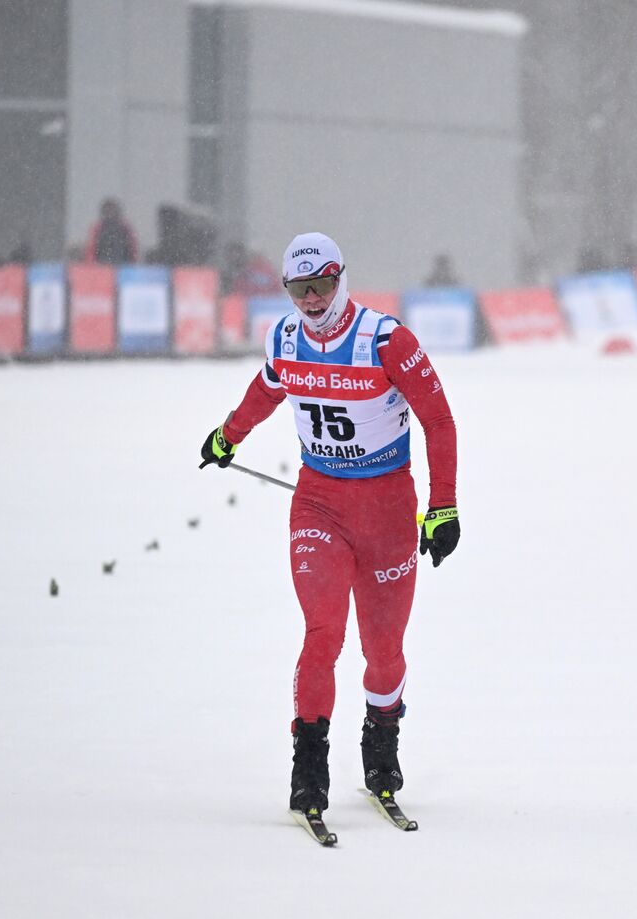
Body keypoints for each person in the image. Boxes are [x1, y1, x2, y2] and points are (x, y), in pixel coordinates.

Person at [197, 231, 460, 828]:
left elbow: (439, 421)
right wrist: (227, 436)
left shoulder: (385, 340)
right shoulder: (284, 338)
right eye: (299, 289)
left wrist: (443, 507)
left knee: (384, 652)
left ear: (342, 278)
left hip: (390, 510)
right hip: (319, 505)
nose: (313, 300)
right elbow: (265, 391)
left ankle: (380, 747)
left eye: (322, 285)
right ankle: (309, 768)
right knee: (322, 633)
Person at [85, 198, 139, 265]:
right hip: (102, 267)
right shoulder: (97, 229)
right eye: (108, 211)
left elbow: (133, 250)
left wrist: (131, 265)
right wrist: (92, 266)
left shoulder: (125, 228)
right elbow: (91, 249)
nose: (110, 214)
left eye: (113, 211)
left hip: (123, 266)